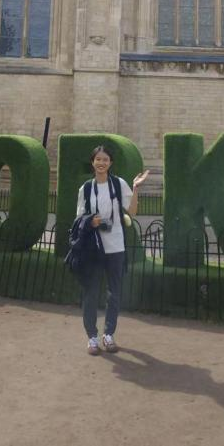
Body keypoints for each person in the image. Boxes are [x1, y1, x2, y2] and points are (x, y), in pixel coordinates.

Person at [76, 145, 150, 355]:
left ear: (111, 163)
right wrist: (90, 221)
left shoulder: (118, 184)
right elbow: (78, 219)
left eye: (105, 159)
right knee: (90, 292)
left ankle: (108, 334)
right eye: (98, 159)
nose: (101, 163)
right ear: (93, 162)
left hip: (115, 246)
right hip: (93, 247)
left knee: (114, 292)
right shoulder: (86, 189)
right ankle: (92, 336)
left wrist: (136, 188)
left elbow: (132, 212)